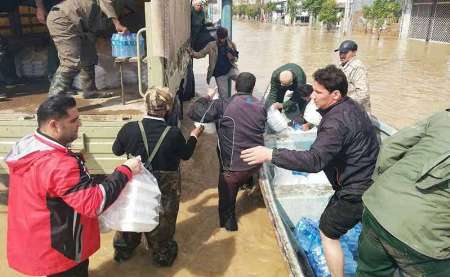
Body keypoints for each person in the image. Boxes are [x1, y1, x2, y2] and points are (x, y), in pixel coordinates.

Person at [241, 65, 379, 276]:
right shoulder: (352, 107)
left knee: (327, 231)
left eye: (318, 92)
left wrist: (271, 154)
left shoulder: (335, 122)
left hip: (355, 188)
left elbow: (314, 161)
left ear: (335, 94)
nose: (313, 97)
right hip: (371, 180)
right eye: (313, 90)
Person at [5, 95, 141, 276]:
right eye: (74, 120)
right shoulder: (59, 164)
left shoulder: (29, 146)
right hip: (60, 252)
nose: (80, 124)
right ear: (54, 125)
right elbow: (94, 204)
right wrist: (125, 171)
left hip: (36, 239)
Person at [112, 87, 204, 266]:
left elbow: (117, 151)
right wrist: (194, 136)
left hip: (135, 180)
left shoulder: (129, 128)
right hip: (164, 184)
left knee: (131, 211)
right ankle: (161, 254)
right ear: (167, 108)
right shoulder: (173, 133)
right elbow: (185, 155)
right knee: (163, 218)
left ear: (145, 106)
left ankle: (124, 250)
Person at [356, 110, 450, 276]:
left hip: (378, 206)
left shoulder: (443, 117)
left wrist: (384, 190)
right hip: (422, 236)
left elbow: (391, 147)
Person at [189, 72, 267, 231]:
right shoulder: (261, 106)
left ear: (236, 86)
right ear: (252, 88)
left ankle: (229, 228)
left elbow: (195, 112)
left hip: (233, 169)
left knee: (227, 208)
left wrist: (207, 97)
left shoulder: (225, 104)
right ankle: (247, 185)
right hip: (255, 164)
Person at [46, 0, 128, 98]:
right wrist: (117, 23)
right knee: (70, 62)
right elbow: (106, 2)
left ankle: (90, 91)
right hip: (63, 18)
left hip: (83, 25)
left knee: (89, 57)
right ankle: (54, 99)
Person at [190, 26, 239, 99]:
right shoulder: (211, 45)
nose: (222, 40)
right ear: (217, 36)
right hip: (219, 75)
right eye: (220, 38)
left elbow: (236, 58)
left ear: (226, 37)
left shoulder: (231, 44)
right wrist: (192, 53)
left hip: (231, 69)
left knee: (242, 80)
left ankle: (241, 100)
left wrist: (232, 58)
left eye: (223, 38)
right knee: (223, 96)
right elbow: (201, 54)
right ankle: (224, 108)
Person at [335, 40, 371, 113]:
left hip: (355, 111)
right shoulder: (342, 65)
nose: (342, 55)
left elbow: (363, 94)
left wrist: (344, 104)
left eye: (345, 53)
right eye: (340, 52)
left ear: (354, 52)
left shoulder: (357, 68)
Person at [35, 0, 61, 82]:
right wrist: (40, 8)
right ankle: (54, 76)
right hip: (54, 5)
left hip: (70, 6)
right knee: (56, 39)